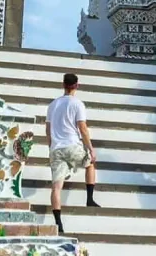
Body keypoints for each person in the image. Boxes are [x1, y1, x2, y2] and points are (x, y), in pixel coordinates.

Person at [46, 72, 100, 234]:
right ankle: (89, 198)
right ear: (76, 86)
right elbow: (82, 128)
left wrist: (51, 149)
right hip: (71, 145)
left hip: (56, 148)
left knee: (56, 187)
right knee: (90, 163)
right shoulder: (77, 104)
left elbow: (47, 131)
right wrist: (90, 148)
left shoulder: (52, 105)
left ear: (63, 85)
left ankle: (58, 223)